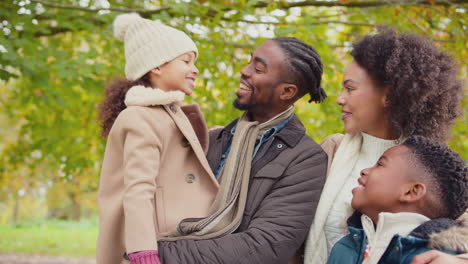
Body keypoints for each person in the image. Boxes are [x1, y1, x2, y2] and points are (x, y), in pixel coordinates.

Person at [155, 37, 329, 263]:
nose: (244, 71)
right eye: (249, 62)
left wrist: (153, 252)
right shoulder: (213, 140)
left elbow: (264, 246)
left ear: (286, 91)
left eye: (257, 68)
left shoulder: (306, 160)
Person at [304, 27, 463, 264]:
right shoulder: (331, 150)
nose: (339, 98)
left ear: (388, 96)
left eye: (350, 88)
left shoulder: (432, 169)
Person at [96, 13, 219, 264]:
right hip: (157, 245)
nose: (194, 69)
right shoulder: (140, 118)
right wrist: (143, 251)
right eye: (186, 61)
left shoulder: (170, 115)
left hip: (182, 241)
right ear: (157, 65)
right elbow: (138, 190)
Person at [326, 135, 468, 264]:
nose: (365, 170)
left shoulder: (438, 258)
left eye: (380, 164)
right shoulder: (344, 247)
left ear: (411, 192)